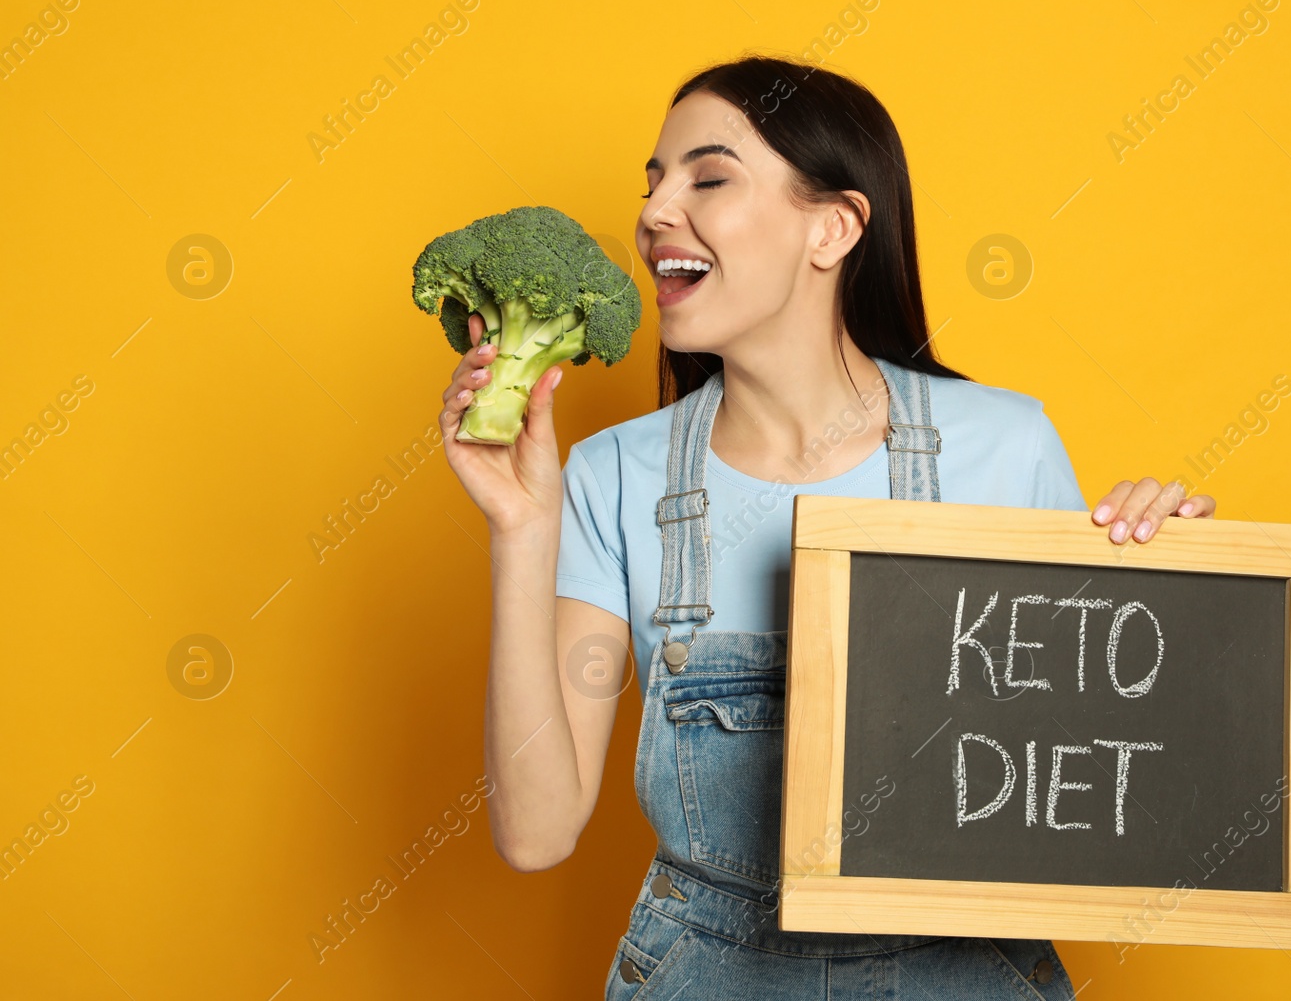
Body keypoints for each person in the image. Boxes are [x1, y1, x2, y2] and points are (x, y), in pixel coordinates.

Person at [437, 53, 1216, 999]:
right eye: (653, 182)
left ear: (833, 227)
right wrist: (521, 529)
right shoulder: (610, 475)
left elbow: (1093, 782)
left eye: (707, 177)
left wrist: (1182, 585)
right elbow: (538, 829)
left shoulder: (1007, 447)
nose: (652, 214)